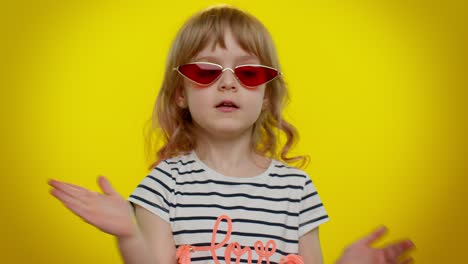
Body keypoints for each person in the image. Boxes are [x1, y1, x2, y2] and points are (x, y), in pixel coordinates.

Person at [48, 5, 414, 264]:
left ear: (266, 94)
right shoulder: (164, 185)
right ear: (180, 93)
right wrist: (127, 233)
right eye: (207, 72)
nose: (227, 83)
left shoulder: (297, 190)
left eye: (249, 73)